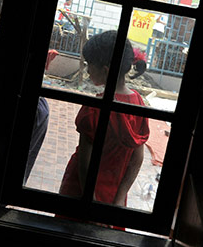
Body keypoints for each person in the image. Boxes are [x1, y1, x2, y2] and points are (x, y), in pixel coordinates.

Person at [59, 30, 149, 207]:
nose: (86, 69)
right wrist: (119, 198)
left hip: (81, 191)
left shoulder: (94, 108)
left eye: (89, 64)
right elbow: (137, 159)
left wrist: (90, 201)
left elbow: (85, 165)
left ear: (106, 70)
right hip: (114, 193)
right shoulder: (138, 103)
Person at [0, 0, 49, 184]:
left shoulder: (18, 41)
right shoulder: (26, 35)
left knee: (11, 165)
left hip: (27, 107)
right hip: (34, 106)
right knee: (18, 165)